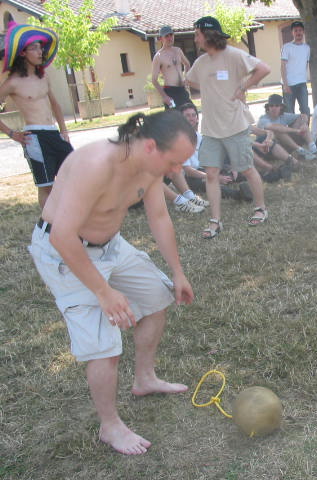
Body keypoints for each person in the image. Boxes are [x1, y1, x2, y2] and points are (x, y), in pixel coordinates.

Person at [28, 110, 197, 455]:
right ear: (150, 146)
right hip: (65, 252)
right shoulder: (95, 164)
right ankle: (110, 426)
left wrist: (177, 271)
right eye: (174, 162)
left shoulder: (150, 168)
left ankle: (145, 379)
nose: (176, 171)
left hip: (111, 246)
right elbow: (62, 236)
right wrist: (103, 292)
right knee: (106, 345)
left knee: (157, 297)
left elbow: (159, 216)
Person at [187, 16, 270, 239]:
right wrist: (211, 85)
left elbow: (263, 68)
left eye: (197, 34)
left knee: (246, 168)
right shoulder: (201, 62)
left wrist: (242, 86)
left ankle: (261, 208)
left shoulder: (233, 55)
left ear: (209, 34)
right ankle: (215, 221)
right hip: (210, 129)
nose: (195, 39)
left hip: (235, 125)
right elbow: (191, 80)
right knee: (211, 174)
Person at [0, 22, 72, 209]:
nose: (40, 52)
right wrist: (11, 133)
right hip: (35, 138)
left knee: (74, 174)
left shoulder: (44, 77)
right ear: (23, 53)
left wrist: (64, 131)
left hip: (53, 133)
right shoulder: (13, 82)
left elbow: (55, 105)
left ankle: (69, 216)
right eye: (34, 48)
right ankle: (48, 224)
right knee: (46, 186)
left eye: (41, 48)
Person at [258, 94, 317, 160]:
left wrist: (304, 124)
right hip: (269, 150)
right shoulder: (263, 119)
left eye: (277, 105)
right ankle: (300, 150)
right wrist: (296, 130)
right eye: (271, 105)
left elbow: (303, 116)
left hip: (283, 147)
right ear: (268, 107)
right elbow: (277, 128)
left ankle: (313, 148)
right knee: (278, 131)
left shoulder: (283, 116)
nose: (274, 108)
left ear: (281, 107)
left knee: (301, 122)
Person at [151, 25, 191, 109]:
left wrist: (186, 78)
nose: (170, 38)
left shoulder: (178, 50)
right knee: (174, 117)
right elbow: (154, 80)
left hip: (182, 89)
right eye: (166, 36)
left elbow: (187, 64)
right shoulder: (158, 56)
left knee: (191, 113)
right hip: (170, 91)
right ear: (161, 39)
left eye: (171, 35)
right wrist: (164, 96)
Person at [281, 21, 310, 116]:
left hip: (302, 84)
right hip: (289, 84)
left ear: (303, 32)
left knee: (305, 110)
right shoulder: (286, 47)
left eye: (300, 30)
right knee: (289, 112)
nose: (298, 33)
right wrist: (285, 84)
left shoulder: (307, 48)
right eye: (296, 30)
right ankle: (292, 127)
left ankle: (304, 126)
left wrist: (304, 78)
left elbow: (306, 64)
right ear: (292, 32)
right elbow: (283, 66)